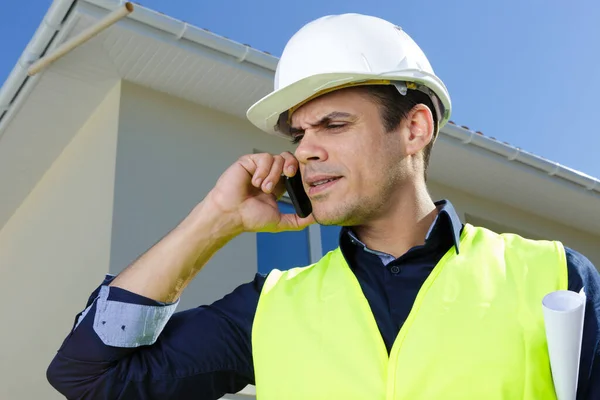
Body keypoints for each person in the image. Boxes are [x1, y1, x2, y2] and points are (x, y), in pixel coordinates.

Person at [47, 13, 600, 400]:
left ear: (414, 128)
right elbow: (89, 378)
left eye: (334, 124)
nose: (306, 148)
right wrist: (214, 221)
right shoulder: (271, 305)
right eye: (299, 133)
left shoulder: (555, 276)